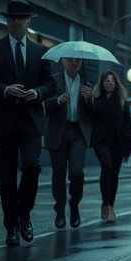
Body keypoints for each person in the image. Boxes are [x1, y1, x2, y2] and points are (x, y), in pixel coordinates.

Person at [0, 0, 56, 246]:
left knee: (32, 167)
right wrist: (5, 90)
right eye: (12, 18)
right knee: (6, 176)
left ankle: (24, 214)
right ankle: (11, 225)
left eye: (21, 18)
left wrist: (38, 93)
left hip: (31, 119)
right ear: (7, 21)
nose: (16, 22)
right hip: (4, 120)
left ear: (28, 21)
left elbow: (51, 84)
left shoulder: (40, 51)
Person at [42, 57, 92, 230]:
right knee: (59, 174)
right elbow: (43, 107)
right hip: (58, 132)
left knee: (76, 173)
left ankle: (74, 205)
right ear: (63, 62)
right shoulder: (53, 80)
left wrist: (89, 99)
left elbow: (92, 112)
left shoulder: (87, 83)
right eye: (71, 61)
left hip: (78, 132)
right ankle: (60, 211)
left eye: (78, 61)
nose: (74, 64)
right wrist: (57, 100)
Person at [81, 70, 131, 223]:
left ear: (116, 84)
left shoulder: (122, 101)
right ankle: (105, 204)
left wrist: (128, 141)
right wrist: (86, 99)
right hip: (101, 140)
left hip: (118, 141)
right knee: (107, 166)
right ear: (102, 83)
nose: (109, 83)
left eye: (112, 81)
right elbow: (89, 115)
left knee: (114, 174)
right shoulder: (96, 99)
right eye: (106, 81)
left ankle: (110, 207)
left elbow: (128, 123)